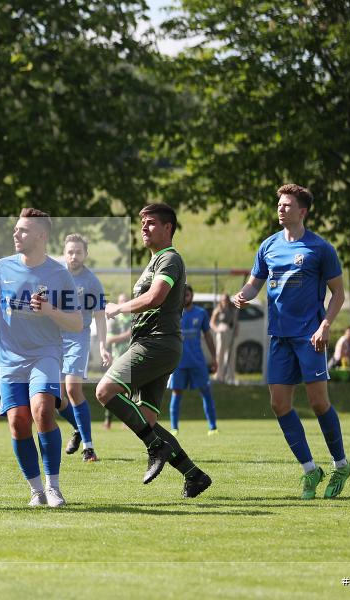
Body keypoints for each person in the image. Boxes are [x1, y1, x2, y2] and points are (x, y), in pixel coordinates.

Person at [233, 183, 350, 499]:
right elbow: (254, 284)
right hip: (279, 337)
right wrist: (242, 295)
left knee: (318, 402)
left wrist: (325, 325)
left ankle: (341, 464)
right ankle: (311, 470)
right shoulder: (268, 246)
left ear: (303, 211)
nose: (281, 209)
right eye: (279, 205)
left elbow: (338, 293)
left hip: (310, 336)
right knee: (279, 404)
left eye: (287, 205)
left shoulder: (320, 248)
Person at [95, 203, 212, 498]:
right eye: (142, 224)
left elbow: (155, 297)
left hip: (156, 343)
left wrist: (119, 308)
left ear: (167, 228)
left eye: (150, 223)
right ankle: (194, 475)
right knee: (145, 421)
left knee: (105, 391)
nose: (143, 228)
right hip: (156, 344)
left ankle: (156, 448)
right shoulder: (154, 261)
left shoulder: (169, 258)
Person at [0, 208, 82, 507]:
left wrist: (49, 310)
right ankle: (36, 491)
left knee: (43, 411)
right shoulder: (0, 268)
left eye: (23, 230)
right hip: (9, 358)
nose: (16, 234)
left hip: (45, 354)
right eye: (16, 229)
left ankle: (53, 487)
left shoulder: (59, 274)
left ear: (41, 235)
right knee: (18, 422)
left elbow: (76, 323)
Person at [58, 233, 112, 462]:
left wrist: (103, 346)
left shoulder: (91, 282)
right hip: (54, 340)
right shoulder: (55, 276)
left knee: (72, 389)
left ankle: (89, 448)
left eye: (78, 252)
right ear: (64, 253)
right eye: (70, 252)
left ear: (85, 254)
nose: (74, 256)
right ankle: (79, 428)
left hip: (77, 339)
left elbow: (100, 316)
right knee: (55, 397)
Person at [168, 285, 219, 435]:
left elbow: (208, 336)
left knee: (206, 391)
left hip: (197, 361)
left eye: (187, 294)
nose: (185, 297)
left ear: (192, 295)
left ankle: (213, 427)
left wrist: (214, 358)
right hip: (178, 362)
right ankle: (174, 428)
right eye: (182, 295)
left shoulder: (201, 313)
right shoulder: (173, 314)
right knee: (176, 393)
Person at [102, 293, 131, 430]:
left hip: (132, 358)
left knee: (130, 391)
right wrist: (126, 335)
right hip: (118, 359)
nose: (123, 303)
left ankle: (127, 420)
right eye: (121, 301)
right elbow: (109, 339)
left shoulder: (134, 318)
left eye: (125, 301)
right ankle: (108, 420)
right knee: (113, 391)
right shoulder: (115, 320)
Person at [209, 294, 239, 384]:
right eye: (223, 300)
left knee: (230, 355)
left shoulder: (232, 309)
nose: (225, 301)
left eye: (226, 300)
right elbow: (212, 322)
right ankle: (219, 375)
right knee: (220, 354)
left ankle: (230, 376)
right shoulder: (218, 309)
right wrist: (217, 329)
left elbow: (236, 322)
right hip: (221, 332)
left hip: (229, 331)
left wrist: (236, 330)